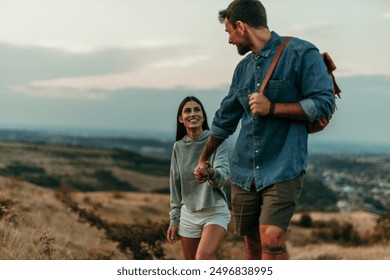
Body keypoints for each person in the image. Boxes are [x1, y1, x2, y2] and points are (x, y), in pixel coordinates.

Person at [194, 0, 335, 260]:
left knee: (272, 236)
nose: (229, 41)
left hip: (283, 166)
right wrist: (204, 158)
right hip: (244, 172)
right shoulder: (243, 69)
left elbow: (324, 104)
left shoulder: (302, 53)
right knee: (254, 244)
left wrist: (272, 108)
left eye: (228, 33)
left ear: (240, 26)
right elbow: (225, 119)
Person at [166, 96, 231, 260]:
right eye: (187, 111)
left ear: (203, 116)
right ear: (181, 119)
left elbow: (222, 176)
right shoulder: (178, 147)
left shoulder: (216, 142)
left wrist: (210, 172)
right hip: (188, 214)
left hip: (215, 210)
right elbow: (175, 184)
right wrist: (174, 220)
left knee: (202, 258)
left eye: (197, 109)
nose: (192, 113)